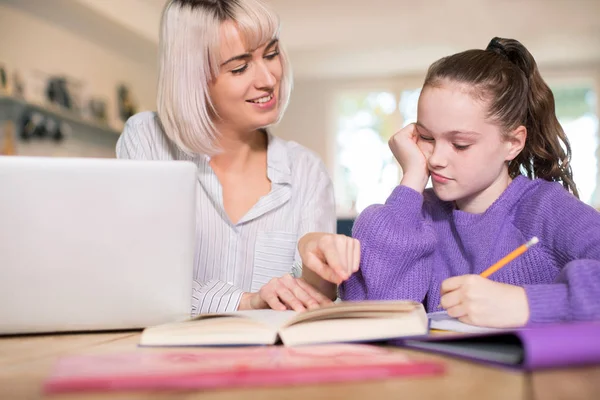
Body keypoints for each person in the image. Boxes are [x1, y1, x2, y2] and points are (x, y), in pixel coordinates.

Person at [116, 0, 359, 315]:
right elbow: (140, 273)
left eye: (271, 54)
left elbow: (315, 299)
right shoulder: (147, 139)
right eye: (240, 67)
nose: (268, 79)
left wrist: (318, 258)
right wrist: (245, 302)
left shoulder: (306, 170)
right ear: (194, 78)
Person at [340, 37, 600, 328]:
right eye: (426, 137)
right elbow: (372, 312)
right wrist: (412, 178)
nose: (436, 158)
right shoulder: (418, 215)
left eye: (460, 144)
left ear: (513, 143)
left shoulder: (547, 209)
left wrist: (527, 303)